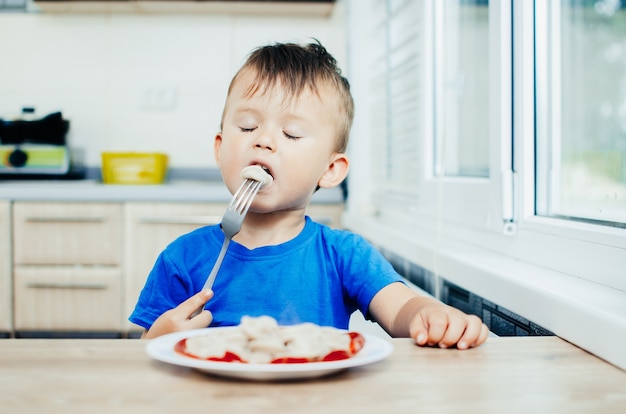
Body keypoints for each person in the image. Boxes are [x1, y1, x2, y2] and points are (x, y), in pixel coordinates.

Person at [129, 40, 489, 350]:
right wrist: (157, 339)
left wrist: (429, 315)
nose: (264, 139)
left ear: (330, 170)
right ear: (220, 148)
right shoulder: (182, 259)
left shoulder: (343, 255)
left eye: (292, 133)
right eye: (248, 126)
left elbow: (400, 309)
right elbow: (145, 356)